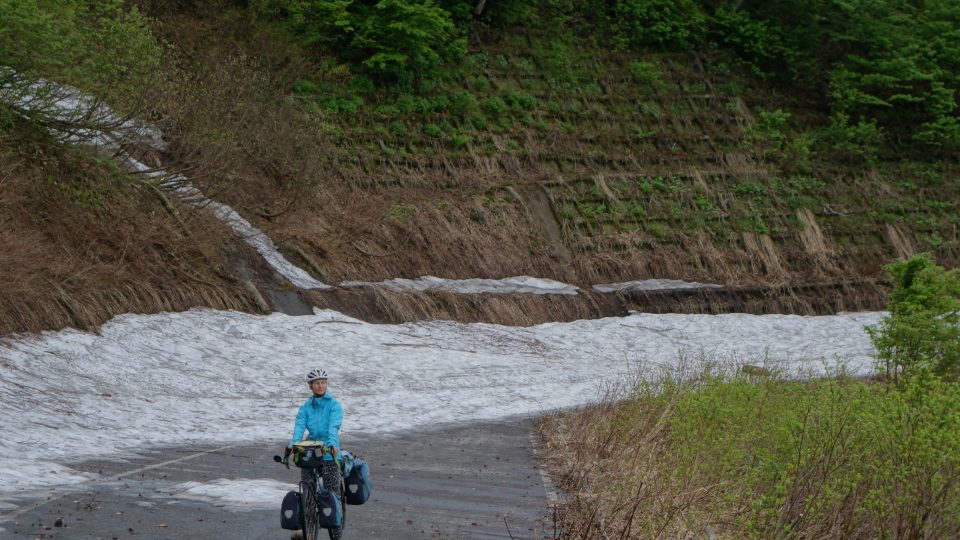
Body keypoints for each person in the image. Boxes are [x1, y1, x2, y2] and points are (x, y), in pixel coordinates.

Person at [288, 368, 344, 540]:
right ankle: (309, 528)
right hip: (311, 451)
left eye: (323, 383)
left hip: (328, 451)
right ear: (310, 386)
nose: (320, 386)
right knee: (307, 490)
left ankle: (336, 531)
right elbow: (299, 428)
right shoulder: (306, 408)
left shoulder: (334, 405)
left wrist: (333, 445)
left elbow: (333, 427)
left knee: (332, 492)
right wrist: (293, 444)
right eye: (316, 384)